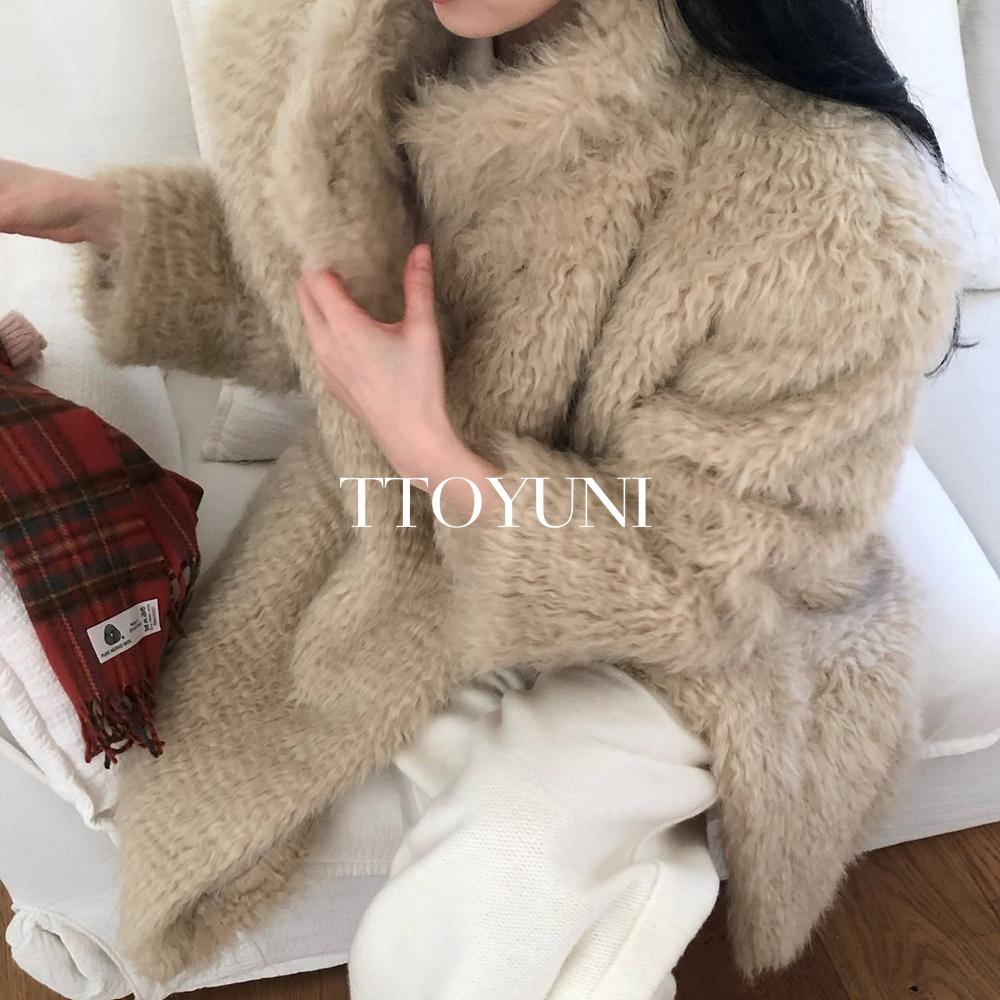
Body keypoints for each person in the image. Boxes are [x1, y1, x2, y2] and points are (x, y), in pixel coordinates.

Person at [0, 0, 964, 997]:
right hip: (433, 550)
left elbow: (708, 569)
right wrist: (85, 213)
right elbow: (324, 307)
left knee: (500, 866)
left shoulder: (835, 197)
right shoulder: (367, 47)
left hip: (721, 628)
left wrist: (428, 448)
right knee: (494, 897)